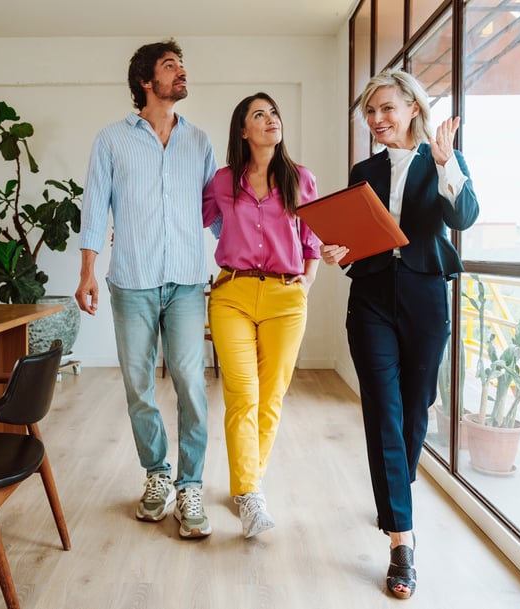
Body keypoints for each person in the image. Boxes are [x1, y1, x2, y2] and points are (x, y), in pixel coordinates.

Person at [320, 69, 479, 598]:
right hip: (369, 299)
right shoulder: (364, 167)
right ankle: (401, 541)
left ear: (412, 106)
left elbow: (466, 217)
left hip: (424, 297)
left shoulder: (441, 160)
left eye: (386, 108)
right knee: (382, 411)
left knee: (416, 408)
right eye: (370, 112)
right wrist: (337, 249)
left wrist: (445, 163)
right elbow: (356, 233)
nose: (377, 120)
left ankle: (396, 490)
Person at [75, 39, 216, 539]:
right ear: (145, 80)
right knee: (138, 385)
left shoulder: (199, 141)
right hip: (130, 282)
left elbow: (214, 213)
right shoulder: (111, 139)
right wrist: (88, 271)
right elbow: (94, 210)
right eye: (170, 66)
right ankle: (157, 475)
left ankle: (191, 483)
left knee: (190, 383)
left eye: (181, 65)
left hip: (185, 282)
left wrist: (255, 255)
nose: (181, 73)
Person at [203, 92, 321, 539]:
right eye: (259, 115)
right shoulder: (222, 180)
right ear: (243, 130)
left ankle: (245, 486)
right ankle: (251, 494)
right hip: (231, 292)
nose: (270, 119)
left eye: (274, 112)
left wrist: (306, 282)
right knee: (241, 393)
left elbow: (312, 237)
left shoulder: (299, 178)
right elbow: (191, 217)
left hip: (285, 298)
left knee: (271, 397)